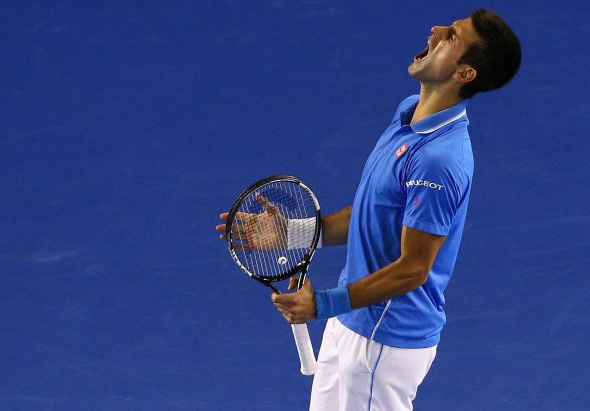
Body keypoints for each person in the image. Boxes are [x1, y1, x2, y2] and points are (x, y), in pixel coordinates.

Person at [217, 8, 520, 410]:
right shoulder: (407, 114)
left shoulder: (439, 160)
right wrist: (292, 233)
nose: (436, 29)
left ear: (464, 73)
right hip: (352, 323)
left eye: (451, 36)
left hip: (383, 341)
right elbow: (373, 214)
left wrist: (322, 304)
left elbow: (414, 268)